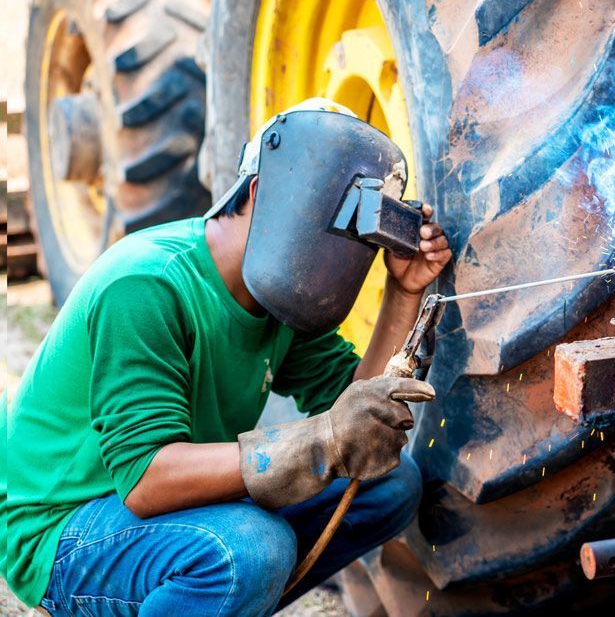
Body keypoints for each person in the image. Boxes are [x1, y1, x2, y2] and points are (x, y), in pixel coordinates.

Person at [2, 99, 452, 615]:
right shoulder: (146, 285)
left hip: (165, 501)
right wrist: (318, 441)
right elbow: (146, 479)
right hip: (62, 522)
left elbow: (356, 411)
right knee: (249, 550)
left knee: (389, 484)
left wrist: (404, 291)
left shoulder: (283, 296)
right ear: (262, 192)